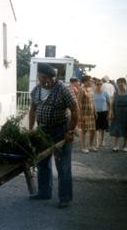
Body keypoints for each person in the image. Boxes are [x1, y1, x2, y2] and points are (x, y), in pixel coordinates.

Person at [28, 63, 79, 208]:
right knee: (42, 163)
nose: (45, 81)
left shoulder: (63, 89)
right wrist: (31, 128)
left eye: (47, 78)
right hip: (42, 131)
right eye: (41, 78)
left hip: (60, 131)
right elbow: (32, 110)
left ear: (54, 77)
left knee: (62, 165)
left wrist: (70, 131)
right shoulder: (36, 90)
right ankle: (44, 193)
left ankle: (65, 198)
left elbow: (75, 111)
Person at [109, 78, 127, 152]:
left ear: (125, 84)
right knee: (117, 129)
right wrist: (111, 112)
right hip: (117, 113)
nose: (120, 86)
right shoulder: (115, 93)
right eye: (118, 84)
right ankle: (116, 146)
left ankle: (125, 146)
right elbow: (112, 104)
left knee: (126, 129)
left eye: (121, 84)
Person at [78, 75, 96, 153]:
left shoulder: (91, 89)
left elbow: (93, 101)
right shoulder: (82, 90)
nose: (91, 81)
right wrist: (81, 114)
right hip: (84, 113)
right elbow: (78, 102)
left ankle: (91, 146)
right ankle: (83, 147)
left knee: (93, 130)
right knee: (84, 130)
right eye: (90, 80)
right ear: (85, 81)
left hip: (91, 113)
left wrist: (95, 111)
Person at [93, 79, 110, 148]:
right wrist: (94, 112)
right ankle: (97, 142)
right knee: (96, 128)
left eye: (100, 84)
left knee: (103, 128)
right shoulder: (93, 93)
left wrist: (110, 112)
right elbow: (92, 104)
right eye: (97, 84)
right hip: (96, 112)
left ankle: (102, 141)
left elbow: (109, 104)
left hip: (104, 112)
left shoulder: (105, 93)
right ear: (95, 84)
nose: (99, 85)